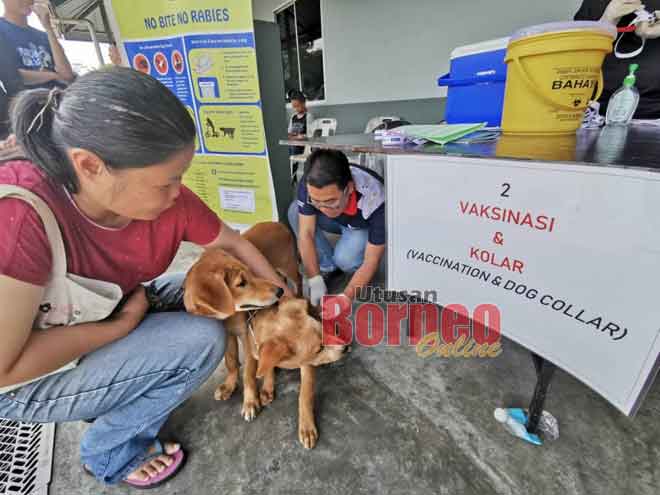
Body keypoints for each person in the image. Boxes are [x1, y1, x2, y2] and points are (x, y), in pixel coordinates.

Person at [0, 66, 291, 487]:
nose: (178, 192)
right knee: (199, 342)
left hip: (99, 310)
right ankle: (109, 452)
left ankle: (111, 387)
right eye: (167, 181)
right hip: (23, 377)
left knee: (195, 293)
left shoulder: (170, 200)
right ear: (90, 165)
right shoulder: (19, 216)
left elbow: (236, 244)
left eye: (181, 176)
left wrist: (284, 293)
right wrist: (120, 328)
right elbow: (6, 370)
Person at [287, 149, 386, 308]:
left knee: (345, 260)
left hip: (360, 226)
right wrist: (314, 278)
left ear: (349, 188)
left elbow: (371, 260)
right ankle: (327, 266)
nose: (323, 208)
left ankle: (346, 267)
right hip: (338, 220)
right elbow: (306, 233)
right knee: (295, 212)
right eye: (316, 202)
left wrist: (346, 297)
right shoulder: (311, 184)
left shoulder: (377, 199)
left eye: (330, 200)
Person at [575, 0, 660, 118]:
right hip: (596, 113)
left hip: (654, 113)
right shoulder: (594, 4)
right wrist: (605, 23)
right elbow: (571, 68)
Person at [0, 0, 74, 89]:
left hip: (57, 98)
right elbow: (11, 75)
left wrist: (48, 28)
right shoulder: (2, 30)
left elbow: (67, 75)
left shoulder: (43, 36)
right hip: (26, 100)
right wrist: (53, 75)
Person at [287, 90, 314, 156]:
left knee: (293, 148)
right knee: (287, 148)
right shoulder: (293, 117)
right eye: (294, 107)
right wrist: (290, 135)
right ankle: (290, 165)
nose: (296, 109)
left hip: (303, 147)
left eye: (297, 106)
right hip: (293, 144)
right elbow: (289, 132)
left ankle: (293, 165)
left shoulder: (308, 116)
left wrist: (300, 137)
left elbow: (310, 135)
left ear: (303, 103)